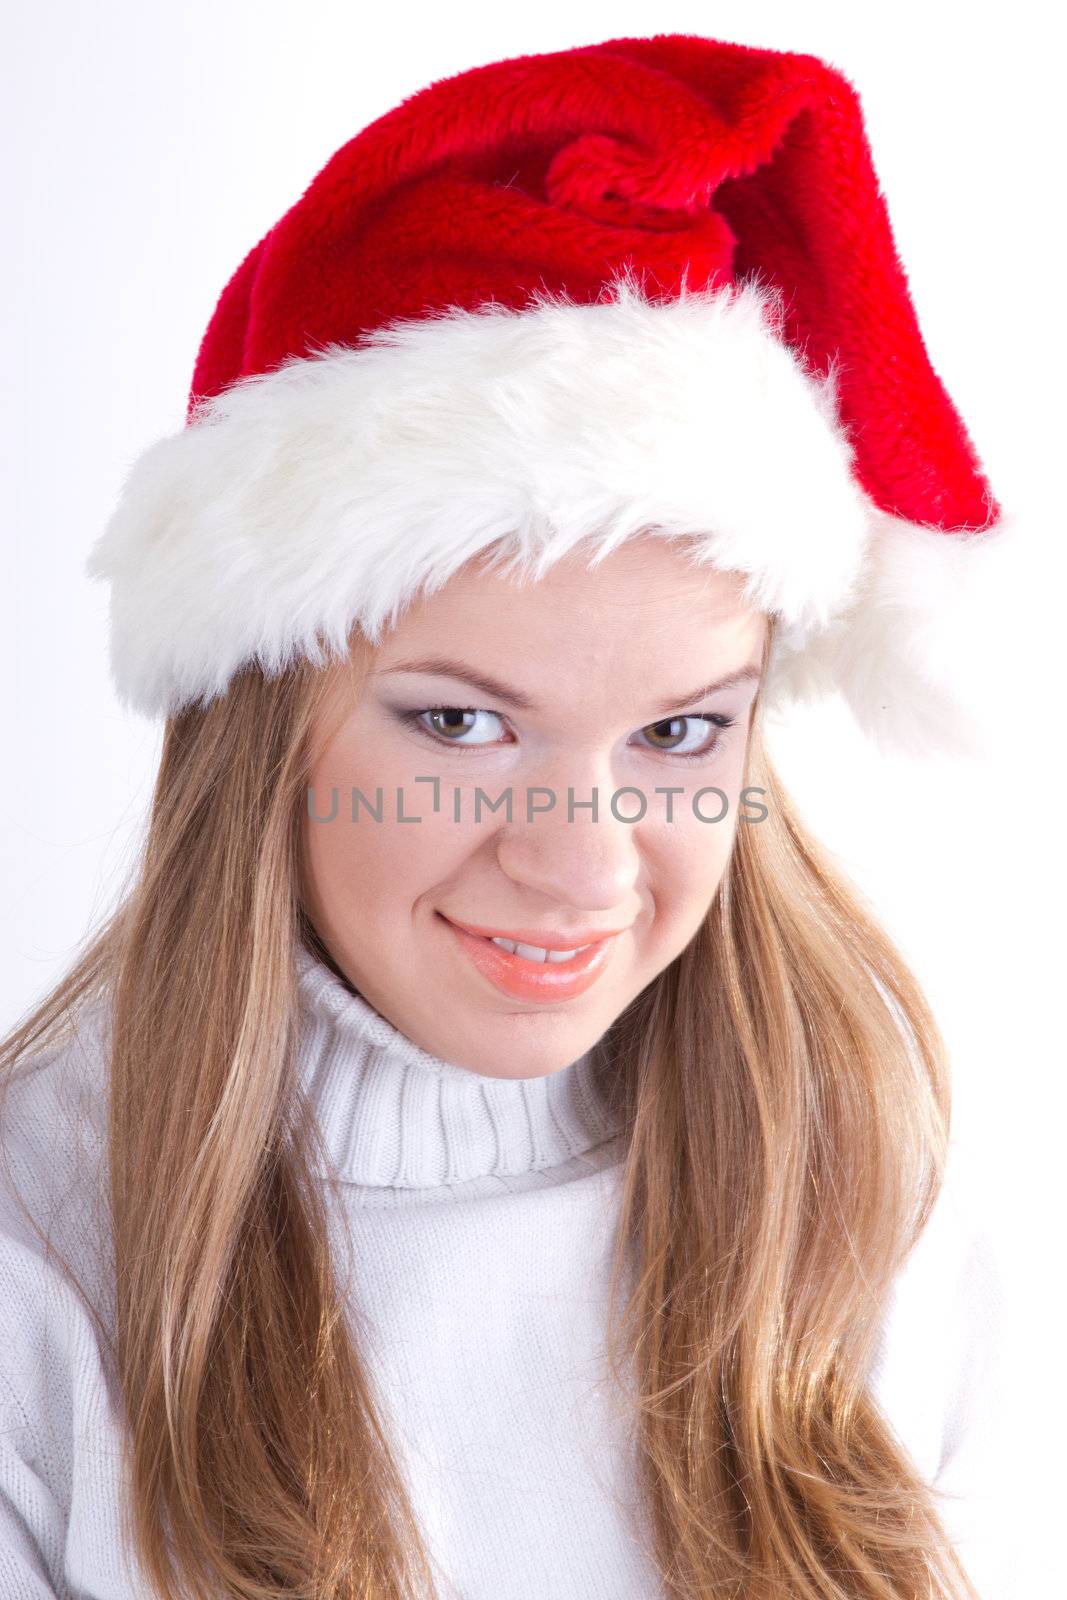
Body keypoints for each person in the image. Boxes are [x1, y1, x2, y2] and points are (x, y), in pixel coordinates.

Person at [0, 32, 1013, 1600]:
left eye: (680, 732)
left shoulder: (863, 1167)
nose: (580, 866)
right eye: (461, 723)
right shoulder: (38, 1256)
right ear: (264, 722)